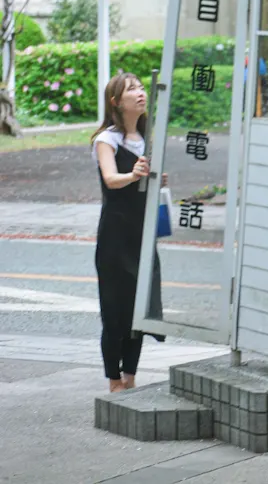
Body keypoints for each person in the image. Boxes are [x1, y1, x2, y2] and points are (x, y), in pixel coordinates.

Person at [92, 72, 166, 393]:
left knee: (141, 307)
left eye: (140, 88)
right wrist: (134, 174)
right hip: (115, 235)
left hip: (143, 232)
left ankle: (131, 376)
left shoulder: (149, 136)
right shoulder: (107, 139)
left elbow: (147, 179)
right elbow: (110, 179)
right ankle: (113, 379)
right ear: (115, 102)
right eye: (131, 89)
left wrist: (156, 180)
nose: (140, 94)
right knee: (115, 308)